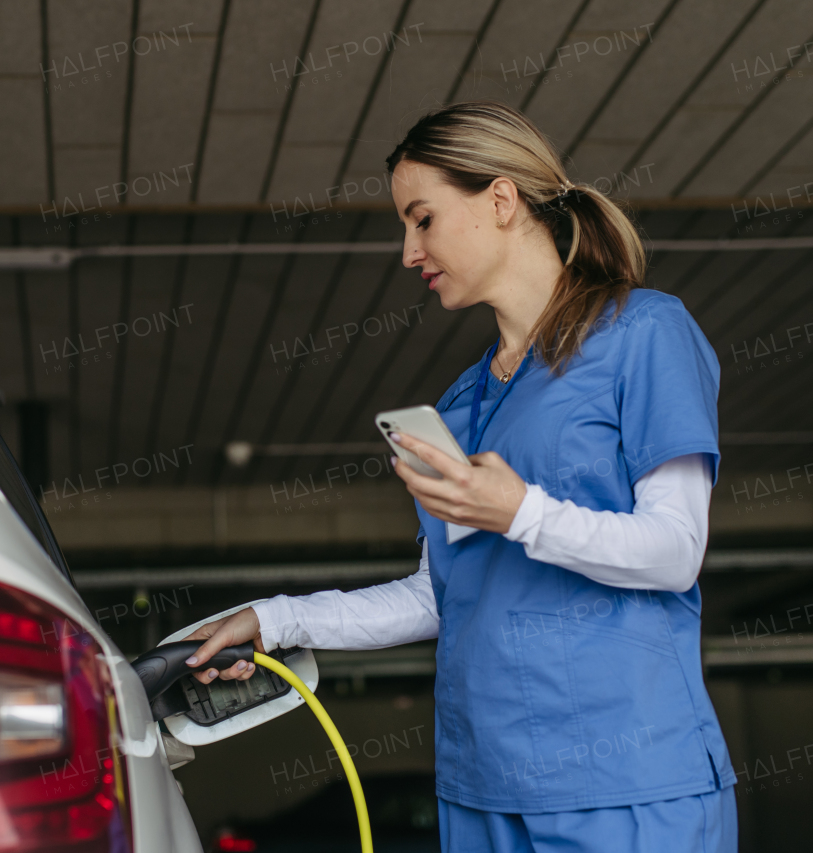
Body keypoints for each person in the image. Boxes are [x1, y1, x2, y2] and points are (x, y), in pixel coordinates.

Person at [185, 101, 736, 853]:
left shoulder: (644, 332)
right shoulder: (456, 405)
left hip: (625, 782)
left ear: (501, 200)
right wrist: (275, 618)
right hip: (481, 790)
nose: (410, 252)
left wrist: (519, 510)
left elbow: (675, 551)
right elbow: (440, 594)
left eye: (423, 219)